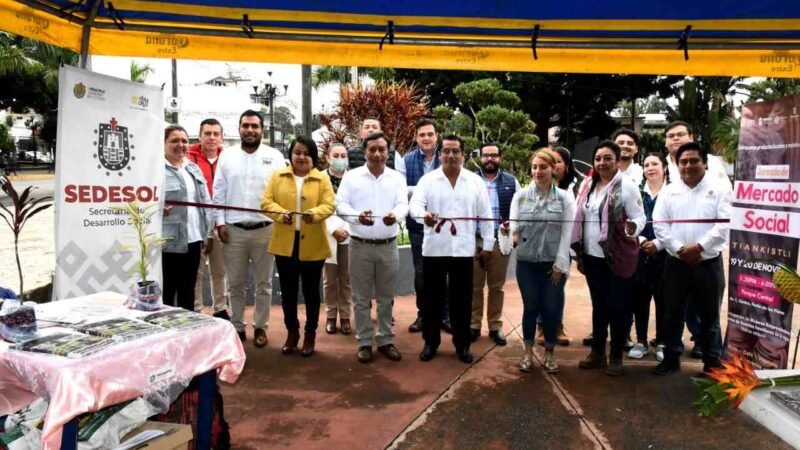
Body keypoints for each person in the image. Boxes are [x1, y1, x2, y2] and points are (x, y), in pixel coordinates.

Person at [409, 135, 494, 364]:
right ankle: (431, 342)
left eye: (455, 151)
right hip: (434, 248)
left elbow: (486, 215)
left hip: (463, 250)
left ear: (463, 155)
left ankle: (462, 344)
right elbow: (414, 206)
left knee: (462, 300)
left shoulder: (475, 182)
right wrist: (422, 215)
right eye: (446, 151)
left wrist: (487, 245)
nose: (451, 155)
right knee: (431, 299)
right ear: (440, 154)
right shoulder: (428, 180)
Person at [652, 142, 731, 376]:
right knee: (672, 314)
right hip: (676, 264)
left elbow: (724, 225)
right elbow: (659, 225)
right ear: (677, 165)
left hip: (708, 264)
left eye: (694, 161)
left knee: (710, 317)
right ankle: (671, 358)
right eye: (683, 161)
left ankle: (712, 362)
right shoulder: (669, 190)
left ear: (704, 163)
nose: (688, 165)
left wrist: (699, 247)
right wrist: (679, 249)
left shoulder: (721, 189)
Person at [572, 140, 645, 376]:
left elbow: (640, 217)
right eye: (598, 159)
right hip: (592, 256)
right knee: (599, 305)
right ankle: (597, 353)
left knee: (618, 307)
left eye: (607, 158)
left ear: (617, 161)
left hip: (617, 256)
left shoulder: (628, 187)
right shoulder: (587, 185)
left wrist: (633, 227)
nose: (602, 163)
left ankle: (615, 356)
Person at [213, 110, 285, 347]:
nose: (250, 130)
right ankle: (237, 326)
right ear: (239, 129)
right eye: (246, 126)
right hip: (233, 230)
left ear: (262, 130)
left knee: (264, 284)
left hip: (266, 229)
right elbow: (219, 192)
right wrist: (220, 222)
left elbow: (280, 194)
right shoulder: (227, 157)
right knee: (235, 283)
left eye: (255, 126)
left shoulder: (274, 156)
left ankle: (261, 327)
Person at [336, 132, 409, 363]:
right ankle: (364, 342)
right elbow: (340, 205)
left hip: (388, 246)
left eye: (382, 150)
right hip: (360, 246)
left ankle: (386, 339)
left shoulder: (397, 178)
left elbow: (403, 204)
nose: (377, 154)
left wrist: (395, 216)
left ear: (388, 153)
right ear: (365, 151)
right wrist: (357, 217)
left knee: (386, 297)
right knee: (360, 298)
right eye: (372, 150)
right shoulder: (352, 177)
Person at [262, 136, 334, 357]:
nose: (302, 157)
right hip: (285, 244)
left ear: (313, 157)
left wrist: (315, 214)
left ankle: (310, 333)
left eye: (306, 154)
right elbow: (266, 203)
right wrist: (280, 213)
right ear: (291, 154)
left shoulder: (322, 179)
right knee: (289, 292)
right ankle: (292, 332)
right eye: (298, 152)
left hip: (313, 244)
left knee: (312, 292)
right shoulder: (277, 176)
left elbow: (329, 204)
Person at [507, 149, 575, 373]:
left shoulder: (565, 198)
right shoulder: (521, 196)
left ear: (554, 169)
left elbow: (567, 234)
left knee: (551, 308)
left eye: (543, 167)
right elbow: (513, 228)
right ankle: (527, 353)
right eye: (535, 167)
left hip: (552, 263)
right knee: (531, 307)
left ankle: (549, 353)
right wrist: (507, 230)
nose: (538, 171)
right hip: (527, 263)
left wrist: (560, 264)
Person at [401, 118, 452, 334]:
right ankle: (423, 314)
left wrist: (420, 192)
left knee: (446, 272)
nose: (426, 138)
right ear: (416, 137)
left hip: (445, 226)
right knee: (421, 273)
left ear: (437, 135)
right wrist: (426, 192)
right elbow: (402, 190)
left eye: (430, 134)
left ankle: (445, 315)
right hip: (418, 228)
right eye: (422, 135)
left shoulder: (448, 157)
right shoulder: (406, 160)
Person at [470, 143, 520, 346]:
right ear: (479, 157)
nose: (489, 159)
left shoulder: (511, 181)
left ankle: (495, 326)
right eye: (486, 156)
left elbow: (518, 210)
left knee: (496, 286)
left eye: (494, 156)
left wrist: (515, 232)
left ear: (501, 158)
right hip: (474, 240)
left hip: (501, 240)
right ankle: (473, 325)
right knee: (474, 286)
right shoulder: (470, 180)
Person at [161, 125, 214, 311]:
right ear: (164, 143)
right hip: (168, 244)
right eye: (174, 140)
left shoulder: (193, 169)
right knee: (166, 294)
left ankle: (186, 335)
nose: (180, 145)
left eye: (184, 141)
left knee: (188, 292)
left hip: (193, 241)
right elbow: (143, 202)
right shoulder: (156, 171)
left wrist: (209, 234)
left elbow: (206, 203)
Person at [535, 146, 579, 346]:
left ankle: (556, 325)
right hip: (539, 246)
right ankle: (541, 326)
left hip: (563, 245)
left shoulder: (576, 188)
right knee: (538, 287)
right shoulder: (536, 186)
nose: (554, 166)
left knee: (556, 286)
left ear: (566, 165)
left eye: (559, 161)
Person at [628, 152, 669, 361]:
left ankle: (662, 341)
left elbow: (676, 223)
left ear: (664, 167)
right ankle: (641, 341)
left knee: (664, 300)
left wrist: (659, 243)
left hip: (665, 255)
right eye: (646, 165)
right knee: (640, 300)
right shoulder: (637, 194)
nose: (650, 168)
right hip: (641, 254)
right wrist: (642, 240)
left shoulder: (673, 193)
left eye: (655, 164)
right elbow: (631, 220)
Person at [187, 118, 228, 319]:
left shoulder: (227, 159)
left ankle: (220, 308)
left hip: (220, 223)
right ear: (200, 136)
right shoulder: (187, 159)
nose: (212, 138)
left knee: (220, 271)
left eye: (216, 134)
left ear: (222, 137)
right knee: (196, 272)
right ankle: (196, 310)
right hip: (196, 224)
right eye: (207, 133)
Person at [323, 143, 353, 335]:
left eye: (343, 155)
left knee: (347, 278)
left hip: (349, 233)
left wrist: (346, 228)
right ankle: (331, 316)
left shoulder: (353, 179)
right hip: (327, 234)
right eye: (336, 155)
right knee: (329, 280)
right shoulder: (320, 178)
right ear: (327, 158)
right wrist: (333, 229)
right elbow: (319, 208)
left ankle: (345, 317)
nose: (340, 159)